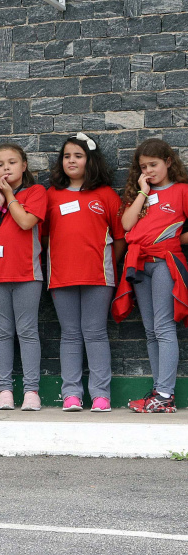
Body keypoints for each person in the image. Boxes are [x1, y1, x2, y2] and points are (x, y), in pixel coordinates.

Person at [45, 134, 124, 413]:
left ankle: (101, 395)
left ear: (90, 160)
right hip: (61, 276)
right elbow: (43, 236)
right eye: (67, 156)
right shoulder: (51, 195)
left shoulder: (106, 195)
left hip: (99, 277)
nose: (71, 161)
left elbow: (120, 237)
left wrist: (105, 263)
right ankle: (71, 394)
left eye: (78, 156)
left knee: (95, 333)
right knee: (69, 335)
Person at [113, 138, 188, 413]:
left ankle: (166, 395)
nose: (149, 171)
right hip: (139, 264)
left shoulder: (182, 190)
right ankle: (159, 392)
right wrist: (143, 192)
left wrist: (176, 239)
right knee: (150, 330)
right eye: (143, 167)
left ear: (168, 162)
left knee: (164, 327)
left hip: (165, 263)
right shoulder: (140, 192)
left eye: (153, 165)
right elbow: (126, 224)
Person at [0, 144, 47, 411]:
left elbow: (26, 222)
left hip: (28, 274)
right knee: (3, 334)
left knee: (27, 332)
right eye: (0, 164)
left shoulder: (36, 192)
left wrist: (9, 197)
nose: (6, 167)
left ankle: (31, 391)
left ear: (24, 165)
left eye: (12, 162)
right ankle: (5, 390)